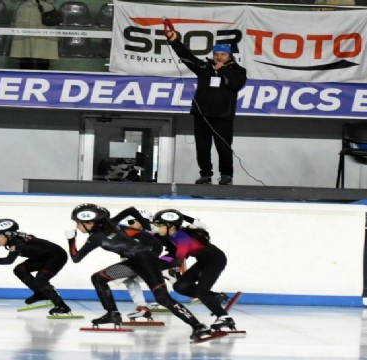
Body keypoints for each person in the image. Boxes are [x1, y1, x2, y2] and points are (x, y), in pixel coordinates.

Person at [66, 204, 214, 340]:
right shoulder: (111, 224)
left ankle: (198, 326)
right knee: (98, 278)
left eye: (78, 223)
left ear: (90, 223)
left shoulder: (95, 238)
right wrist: (145, 226)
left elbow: (76, 257)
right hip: (134, 263)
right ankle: (112, 314)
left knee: (163, 298)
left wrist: (71, 240)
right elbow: (130, 210)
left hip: (147, 262)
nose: (77, 227)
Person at [164, 28, 247, 186]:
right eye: (216, 54)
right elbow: (186, 56)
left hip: (223, 116)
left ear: (229, 56)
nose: (218, 56)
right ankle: (205, 175)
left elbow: (236, 84)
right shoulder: (204, 68)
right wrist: (173, 41)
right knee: (202, 148)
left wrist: (222, 69)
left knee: (223, 147)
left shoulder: (239, 71)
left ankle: (226, 175)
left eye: (222, 54)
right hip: (202, 115)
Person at [152, 209, 237, 332]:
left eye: (159, 225)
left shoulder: (182, 238)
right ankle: (215, 297)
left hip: (215, 261)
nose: (157, 228)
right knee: (180, 286)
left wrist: (154, 267)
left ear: (170, 226)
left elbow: (178, 262)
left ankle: (224, 317)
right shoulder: (172, 234)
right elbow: (149, 236)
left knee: (202, 293)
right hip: (203, 261)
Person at [0, 218, 72, 316]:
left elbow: (8, 260)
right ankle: (41, 293)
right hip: (44, 257)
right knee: (19, 270)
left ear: (8, 234)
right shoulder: (16, 238)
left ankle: (62, 306)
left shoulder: (17, 242)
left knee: (41, 279)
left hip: (56, 256)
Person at [10, 0, 58, 70]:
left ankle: (42, 75)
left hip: (44, 12)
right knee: (24, 51)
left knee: (44, 52)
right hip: (26, 11)